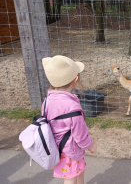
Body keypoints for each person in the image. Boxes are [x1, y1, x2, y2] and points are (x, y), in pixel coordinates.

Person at [42, 55, 97, 184]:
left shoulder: (47, 100)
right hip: (71, 150)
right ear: (76, 79)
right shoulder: (72, 107)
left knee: (77, 172)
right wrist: (91, 145)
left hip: (58, 147)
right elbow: (80, 136)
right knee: (71, 178)